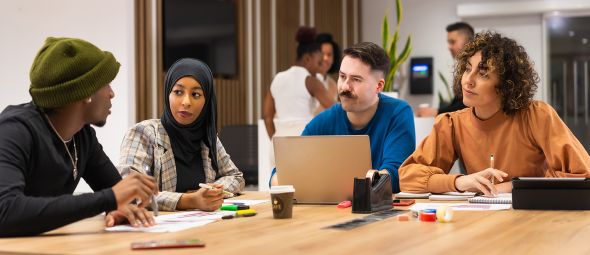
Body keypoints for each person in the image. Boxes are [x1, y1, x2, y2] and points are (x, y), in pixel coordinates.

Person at [0, 37, 158, 237]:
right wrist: (109, 199)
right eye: (106, 83)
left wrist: (121, 207)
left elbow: (118, 194)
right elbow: (5, 212)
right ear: (85, 92)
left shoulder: (82, 136)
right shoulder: (14, 130)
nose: (112, 93)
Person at [399, 31, 590, 196]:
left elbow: (583, 173)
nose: (468, 81)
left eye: (483, 74)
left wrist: (512, 186)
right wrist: (459, 182)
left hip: (534, 218)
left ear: (506, 85)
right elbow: (408, 177)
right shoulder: (451, 124)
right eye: (467, 69)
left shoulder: (536, 115)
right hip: (482, 220)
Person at [271, 42, 416, 193]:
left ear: (378, 86)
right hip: (330, 212)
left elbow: (395, 177)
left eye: (356, 79)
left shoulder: (398, 113)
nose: (345, 86)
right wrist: (283, 180)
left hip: (379, 213)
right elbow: (279, 176)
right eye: (342, 76)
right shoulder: (324, 121)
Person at [119, 58, 245, 212]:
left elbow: (236, 176)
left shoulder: (207, 137)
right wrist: (189, 200)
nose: (186, 102)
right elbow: (128, 192)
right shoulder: (144, 133)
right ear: (168, 94)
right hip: (157, 230)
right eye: (178, 92)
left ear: (207, 101)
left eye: (196, 94)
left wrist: (215, 190)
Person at [263, 27, 336, 139]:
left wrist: (275, 140)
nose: (321, 66)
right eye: (319, 62)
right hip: (304, 142)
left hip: (279, 143)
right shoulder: (311, 81)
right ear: (307, 58)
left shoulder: (277, 78)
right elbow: (336, 109)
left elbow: (268, 118)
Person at [417, 22, 473, 117]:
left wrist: (436, 112)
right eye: (448, 42)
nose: (449, 47)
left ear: (468, 42)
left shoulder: (473, 69)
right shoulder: (463, 68)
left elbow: (467, 106)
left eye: (452, 42)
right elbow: (458, 103)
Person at [314, 32, 340, 114]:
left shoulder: (333, 84)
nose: (325, 58)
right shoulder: (306, 80)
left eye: (329, 55)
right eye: (322, 54)